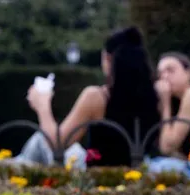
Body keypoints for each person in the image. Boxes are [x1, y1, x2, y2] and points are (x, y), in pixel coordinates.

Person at [15, 26, 160, 169]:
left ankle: (12, 170)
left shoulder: (97, 97)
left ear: (108, 59)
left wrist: (42, 105)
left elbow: (57, 145)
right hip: (136, 172)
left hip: (96, 176)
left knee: (41, 139)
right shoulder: (155, 95)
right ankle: (16, 164)